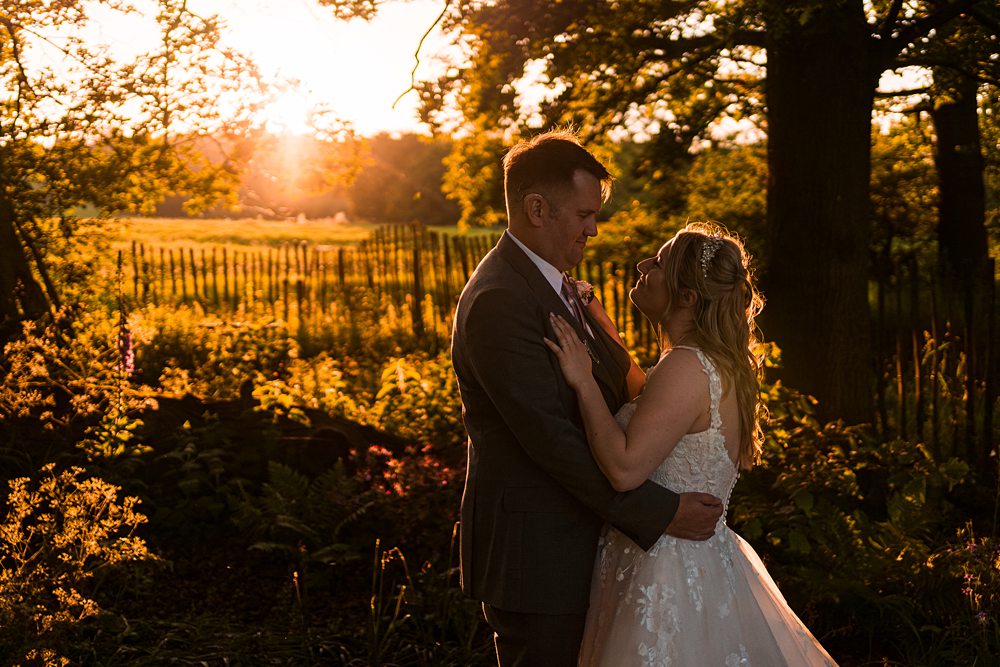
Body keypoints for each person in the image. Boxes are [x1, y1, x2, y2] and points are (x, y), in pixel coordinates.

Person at [451, 131, 725, 667]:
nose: (593, 229)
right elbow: (552, 442)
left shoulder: (556, 286)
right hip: (540, 560)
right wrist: (662, 511)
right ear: (536, 209)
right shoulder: (501, 301)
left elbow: (621, 397)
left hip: (585, 547)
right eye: (583, 214)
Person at [544, 223, 839, 665]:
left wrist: (584, 383)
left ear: (687, 298)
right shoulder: (713, 363)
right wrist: (602, 326)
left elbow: (625, 469)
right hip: (697, 561)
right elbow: (652, 405)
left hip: (666, 575)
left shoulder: (685, 367)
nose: (644, 265)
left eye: (659, 263)